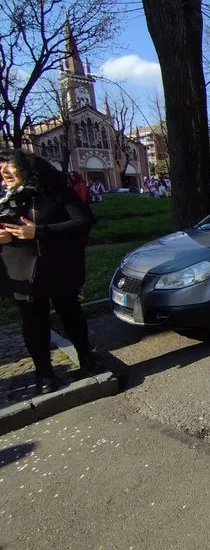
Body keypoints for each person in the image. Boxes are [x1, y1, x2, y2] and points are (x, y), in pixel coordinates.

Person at [0, 151, 101, 394]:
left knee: (71, 313)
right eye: (0, 166)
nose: (3, 171)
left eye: (9, 166)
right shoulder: (3, 198)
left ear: (27, 167)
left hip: (58, 267)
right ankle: (44, 373)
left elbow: (83, 221)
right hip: (21, 271)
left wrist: (40, 232)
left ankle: (86, 357)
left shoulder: (54, 192)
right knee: (34, 322)